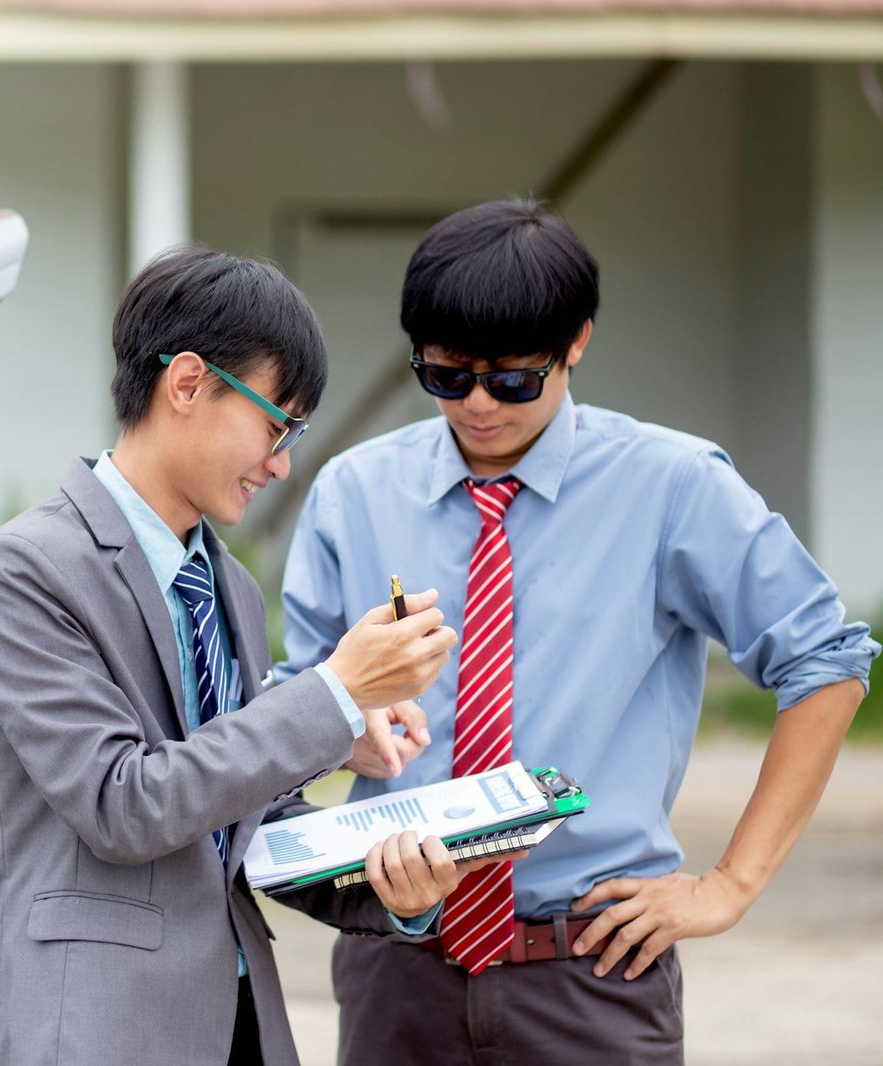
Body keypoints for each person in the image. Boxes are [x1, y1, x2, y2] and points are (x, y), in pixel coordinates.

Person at [275, 198, 879, 1064]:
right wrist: (346, 729)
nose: (479, 404)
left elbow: (826, 661)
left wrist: (731, 884)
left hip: (591, 971)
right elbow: (305, 702)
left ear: (578, 343)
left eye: (513, 378)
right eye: (447, 376)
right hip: (396, 965)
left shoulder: (672, 486)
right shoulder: (354, 493)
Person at [0, 247, 508, 1066]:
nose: (282, 461)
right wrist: (334, 692)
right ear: (186, 383)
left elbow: (245, 830)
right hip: (104, 1035)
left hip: (245, 1024)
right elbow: (125, 804)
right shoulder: (26, 570)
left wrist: (398, 884)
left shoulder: (233, 590)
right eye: (274, 422)